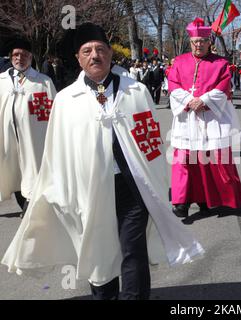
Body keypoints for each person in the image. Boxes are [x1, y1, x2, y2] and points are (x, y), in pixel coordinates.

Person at [2, 23, 204, 300]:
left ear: (110, 54)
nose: (94, 55)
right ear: (78, 58)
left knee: (133, 251)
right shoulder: (66, 100)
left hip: (131, 188)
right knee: (99, 252)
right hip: (90, 192)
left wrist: (157, 182)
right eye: (87, 51)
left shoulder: (136, 92)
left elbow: (152, 144)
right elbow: (57, 152)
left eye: (100, 49)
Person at [168, 17, 241, 218]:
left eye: (202, 41)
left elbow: (223, 87)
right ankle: (181, 202)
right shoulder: (179, 61)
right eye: (195, 42)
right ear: (190, 42)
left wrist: (203, 100)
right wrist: (189, 100)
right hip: (187, 118)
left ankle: (209, 199)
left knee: (210, 160)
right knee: (184, 160)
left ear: (208, 42)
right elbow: (173, 85)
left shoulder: (220, 63)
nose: (198, 45)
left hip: (211, 118)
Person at [0, 38, 56, 218]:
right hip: (7, 136)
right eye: (16, 54)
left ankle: (30, 205)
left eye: (24, 55)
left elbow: (53, 112)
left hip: (34, 137)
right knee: (13, 170)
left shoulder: (43, 82)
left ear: (31, 57)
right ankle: (23, 202)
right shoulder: (2, 81)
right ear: (10, 57)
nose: (20, 58)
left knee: (33, 168)